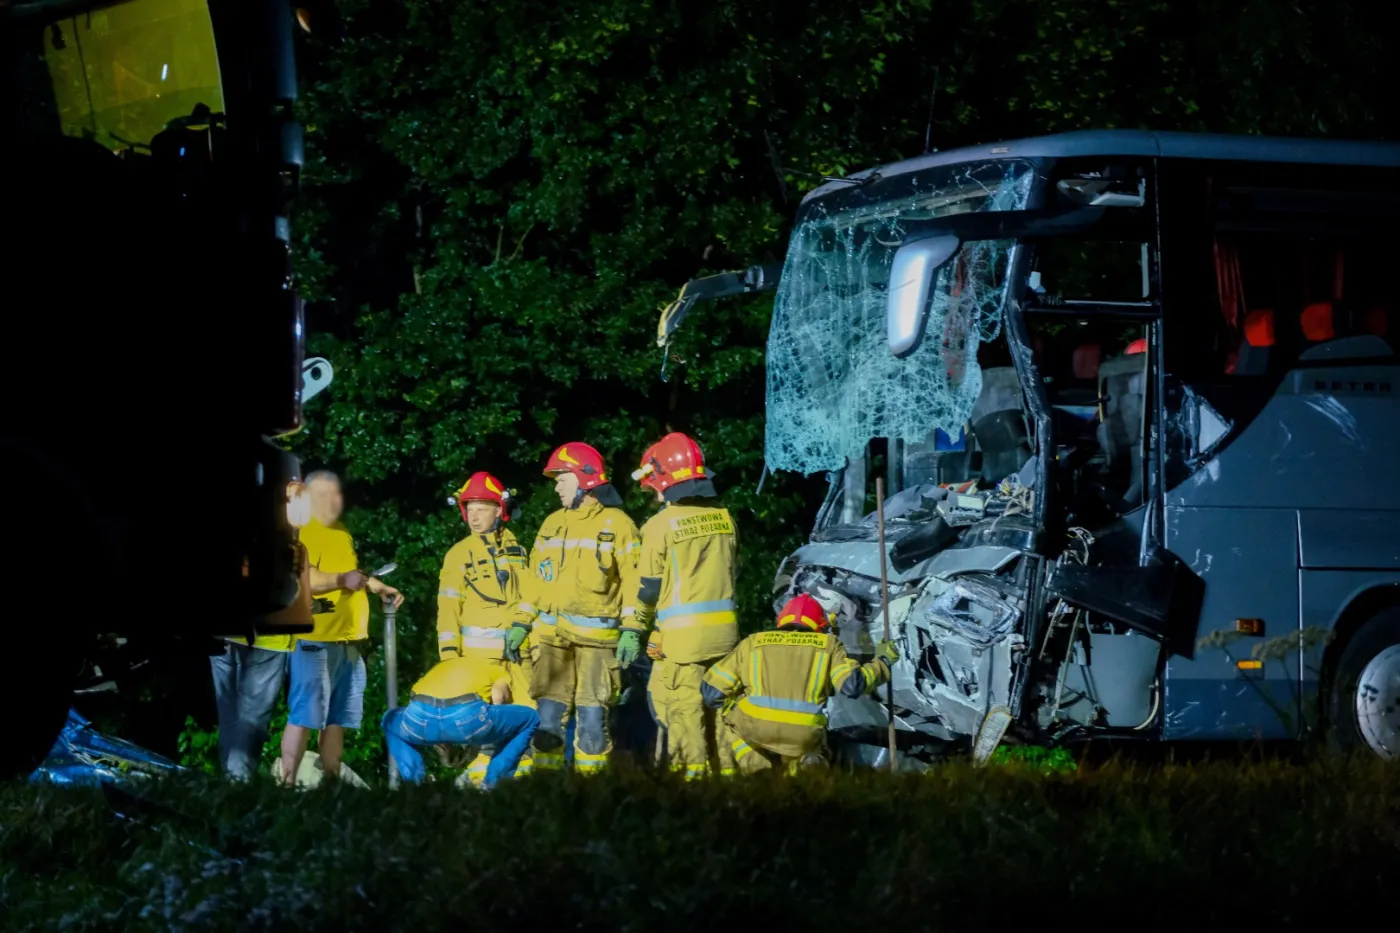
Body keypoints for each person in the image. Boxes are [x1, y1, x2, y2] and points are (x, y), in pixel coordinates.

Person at [504, 442, 641, 773]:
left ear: (585, 479)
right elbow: (535, 580)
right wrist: (522, 622)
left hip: (598, 644)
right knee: (547, 722)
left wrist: (633, 629)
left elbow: (635, 581)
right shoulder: (552, 523)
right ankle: (549, 792)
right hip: (552, 641)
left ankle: (589, 799)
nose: (556, 485)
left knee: (592, 723)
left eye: (561, 478)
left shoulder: (618, 524)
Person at [628, 432, 740, 779]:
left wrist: (640, 626)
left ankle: (691, 793)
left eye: (652, 485)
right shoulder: (725, 518)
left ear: (661, 479)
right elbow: (732, 572)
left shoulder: (659, 526)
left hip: (683, 644)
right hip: (726, 639)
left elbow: (649, 588)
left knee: (685, 717)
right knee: (721, 714)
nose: (652, 493)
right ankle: (730, 789)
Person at [280, 470, 403, 784]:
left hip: (348, 643)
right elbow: (304, 578)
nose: (332, 500)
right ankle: (287, 784)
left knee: (336, 720)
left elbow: (350, 575)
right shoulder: (303, 531)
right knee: (303, 716)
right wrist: (340, 580)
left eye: (335, 493)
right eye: (323, 493)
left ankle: (331, 785)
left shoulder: (341, 532)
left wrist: (377, 586)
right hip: (314, 641)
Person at [701, 593, 899, 774]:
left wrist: (736, 698)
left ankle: (757, 771)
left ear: (781, 620)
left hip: (755, 729)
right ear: (819, 625)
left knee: (727, 718)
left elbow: (711, 693)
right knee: (814, 740)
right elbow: (852, 686)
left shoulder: (753, 643)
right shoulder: (828, 645)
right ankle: (804, 765)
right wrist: (883, 661)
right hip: (802, 735)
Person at [436, 470, 535, 786]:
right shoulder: (459, 555)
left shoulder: (517, 550)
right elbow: (448, 610)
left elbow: (531, 596)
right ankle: (480, 778)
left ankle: (523, 780)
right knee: (487, 721)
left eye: (481, 508)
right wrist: (449, 659)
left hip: (519, 654)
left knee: (528, 714)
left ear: (499, 510)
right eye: (470, 509)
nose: (473, 516)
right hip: (479, 660)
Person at [382, 653, 539, 789]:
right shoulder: (497, 669)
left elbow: (424, 707)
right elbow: (498, 698)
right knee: (529, 718)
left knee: (389, 719)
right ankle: (494, 784)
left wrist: (444, 741)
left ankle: (415, 783)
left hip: (420, 718)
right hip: (468, 717)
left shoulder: (439, 668)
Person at [209, 625, 289, 780]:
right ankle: (238, 784)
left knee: (228, 716)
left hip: (222, 633)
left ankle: (228, 780)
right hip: (267, 637)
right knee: (252, 718)